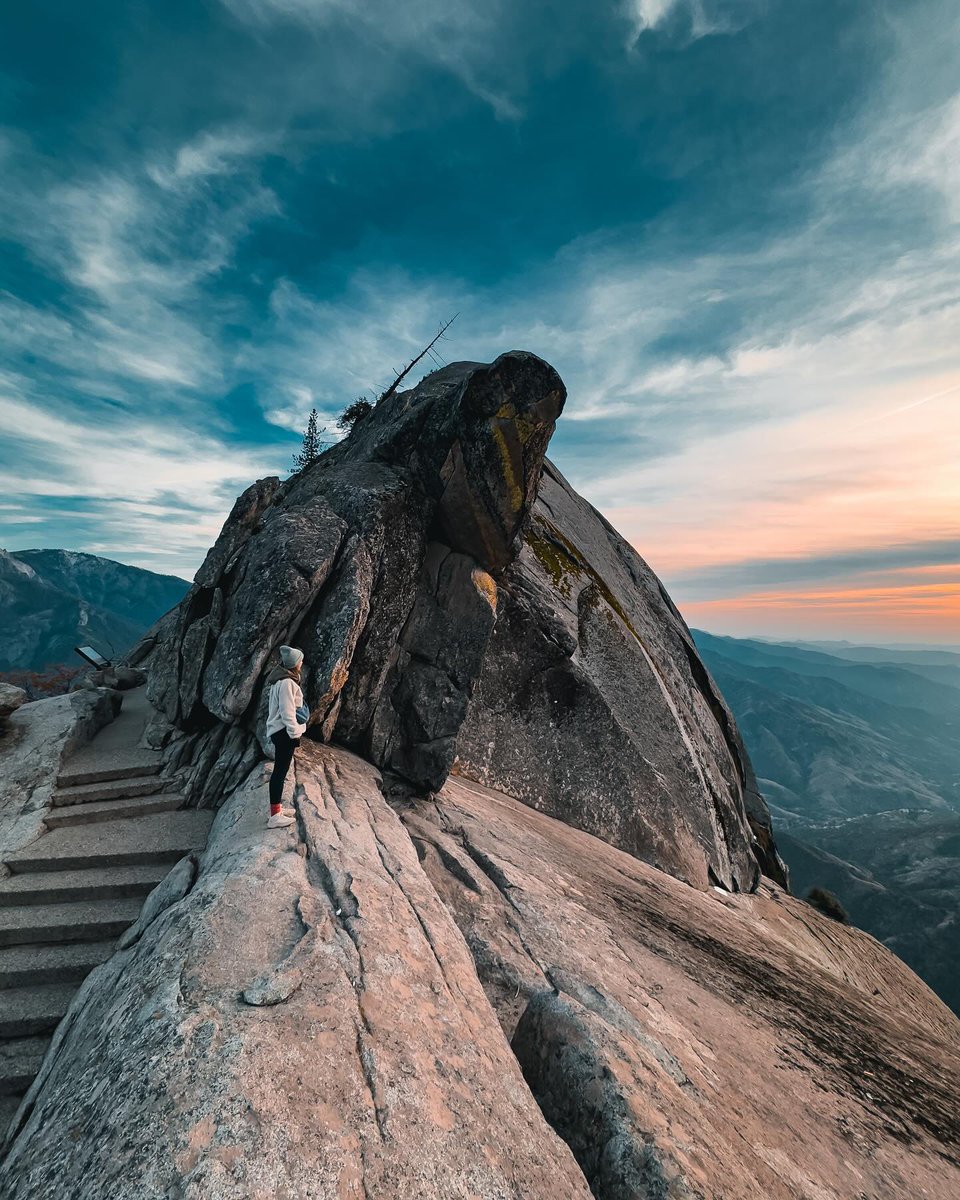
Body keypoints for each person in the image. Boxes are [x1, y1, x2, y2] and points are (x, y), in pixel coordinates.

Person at [264, 645, 307, 828]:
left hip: (279, 732)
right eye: (300, 660)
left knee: (280, 772)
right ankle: (275, 817)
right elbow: (287, 712)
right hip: (284, 733)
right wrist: (295, 733)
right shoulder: (287, 683)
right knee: (279, 773)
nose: (302, 663)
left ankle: (278, 810)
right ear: (295, 664)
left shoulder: (280, 680)